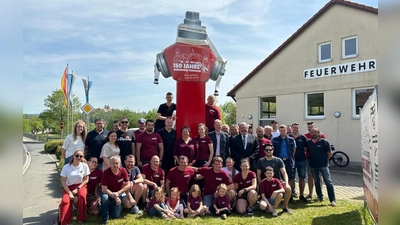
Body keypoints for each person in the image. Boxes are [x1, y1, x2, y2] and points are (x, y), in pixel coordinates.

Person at [256, 143, 292, 214]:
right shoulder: (261, 161)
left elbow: (284, 173)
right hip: (266, 182)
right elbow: (258, 175)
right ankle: (268, 205)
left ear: (273, 150)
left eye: (270, 149)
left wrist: (287, 184)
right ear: (264, 151)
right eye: (267, 150)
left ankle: (285, 207)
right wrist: (261, 185)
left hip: (278, 182)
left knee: (288, 188)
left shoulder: (278, 160)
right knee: (263, 205)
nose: (268, 151)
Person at [56, 149, 90, 225]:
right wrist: (69, 193)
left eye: (80, 156)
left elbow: (86, 179)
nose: (78, 157)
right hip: (68, 187)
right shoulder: (66, 167)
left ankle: (81, 218)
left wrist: (78, 189)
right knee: (65, 201)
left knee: (82, 196)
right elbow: (63, 182)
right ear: (73, 156)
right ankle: (65, 221)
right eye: (77, 155)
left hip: (80, 186)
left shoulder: (85, 166)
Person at [307, 127, 337, 206]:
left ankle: (332, 200)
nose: (314, 133)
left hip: (323, 165)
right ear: (311, 134)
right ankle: (320, 196)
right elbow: (307, 152)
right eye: (312, 132)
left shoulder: (324, 142)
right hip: (313, 165)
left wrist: (324, 160)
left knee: (328, 182)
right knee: (317, 182)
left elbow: (329, 154)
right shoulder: (308, 142)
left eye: (315, 132)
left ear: (319, 133)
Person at [100, 156, 135, 224]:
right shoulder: (106, 172)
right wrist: (115, 196)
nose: (115, 165)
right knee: (105, 197)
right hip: (108, 192)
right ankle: (104, 218)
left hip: (118, 193)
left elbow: (127, 185)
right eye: (113, 163)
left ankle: (111, 206)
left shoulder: (123, 170)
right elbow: (104, 189)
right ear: (110, 164)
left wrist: (118, 193)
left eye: (117, 163)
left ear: (120, 164)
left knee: (116, 216)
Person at [271, 124, 296, 202]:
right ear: (279, 131)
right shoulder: (275, 139)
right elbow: (272, 149)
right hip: (278, 161)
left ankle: (289, 195)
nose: (282, 132)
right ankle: (278, 194)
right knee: (278, 178)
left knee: (289, 178)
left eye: (284, 130)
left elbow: (294, 150)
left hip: (288, 161)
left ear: (287, 130)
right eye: (281, 130)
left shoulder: (291, 140)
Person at [304, 121, 327, 200]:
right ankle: (310, 194)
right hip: (309, 160)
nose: (310, 129)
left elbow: (325, 148)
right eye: (309, 127)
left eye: (311, 127)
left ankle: (320, 194)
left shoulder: (321, 135)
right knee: (310, 176)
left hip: (320, 161)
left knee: (319, 177)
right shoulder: (305, 136)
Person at [289, 122, 308, 202]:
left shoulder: (303, 137)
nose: (295, 129)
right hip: (291, 161)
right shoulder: (288, 137)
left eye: (297, 128)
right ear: (291, 128)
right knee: (291, 179)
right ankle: (290, 196)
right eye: (294, 127)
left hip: (301, 160)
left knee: (302, 178)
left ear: (299, 128)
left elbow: (305, 149)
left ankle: (301, 195)